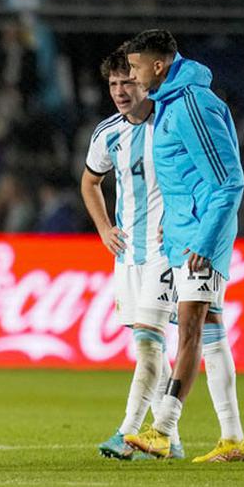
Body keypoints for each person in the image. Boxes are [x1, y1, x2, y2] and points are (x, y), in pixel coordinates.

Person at [123, 29, 244, 463]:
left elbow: (230, 181)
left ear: (159, 66)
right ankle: (233, 439)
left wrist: (201, 238)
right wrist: (175, 228)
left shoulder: (193, 104)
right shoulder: (171, 104)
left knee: (190, 325)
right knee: (211, 335)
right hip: (185, 235)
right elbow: (186, 181)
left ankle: (163, 428)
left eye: (137, 68)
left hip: (202, 239)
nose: (134, 78)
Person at [79, 46, 181, 461]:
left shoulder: (172, 123)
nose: (120, 91)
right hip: (128, 254)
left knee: (147, 344)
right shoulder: (107, 133)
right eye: (113, 84)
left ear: (144, 80)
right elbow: (90, 182)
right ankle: (168, 436)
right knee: (149, 345)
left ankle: (128, 432)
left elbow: (199, 176)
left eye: (128, 81)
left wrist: (182, 218)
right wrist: (104, 229)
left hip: (167, 250)